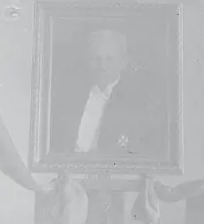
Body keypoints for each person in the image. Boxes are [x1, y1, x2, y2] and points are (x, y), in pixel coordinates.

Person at [48, 27, 165, 159]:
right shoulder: (70, 97)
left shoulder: (137, 102)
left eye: (109, 59)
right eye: (96, 58)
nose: (102, 66)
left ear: (123, 62)